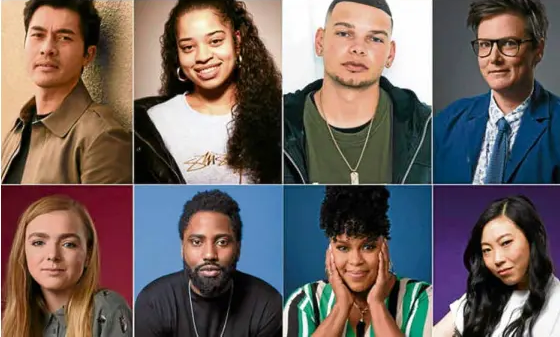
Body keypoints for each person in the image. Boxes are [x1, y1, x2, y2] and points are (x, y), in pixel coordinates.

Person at [283, 0, 432, 185]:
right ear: (320, 41)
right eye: (344, 33)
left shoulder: (429, 128)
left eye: (375, 38)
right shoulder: (275, 121)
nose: (358, 48)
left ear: (390, 54)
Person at [134, 1, 281, 184]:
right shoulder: (150, 122)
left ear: (237, 41)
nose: (203, 57)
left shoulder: (278, 114)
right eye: (188, 47)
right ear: (177, 54)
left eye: (215, 41)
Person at [1, 1, 132, 184]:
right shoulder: (19, 126)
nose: (47, 49)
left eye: (64, 38)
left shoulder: (102, 136)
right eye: (38, 35)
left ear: (88, 55)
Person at [434, 1, 560, 184]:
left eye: (509, 43)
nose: (494, 58)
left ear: (538, 50)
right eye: (485, 44)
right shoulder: (446, 122)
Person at [284, 186, 432, 337]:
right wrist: (341, 307)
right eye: (343, 248)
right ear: (330, 250)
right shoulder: (305, 301)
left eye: (368, 247)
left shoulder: (421, 297)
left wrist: (377, 304)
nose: (355, 261)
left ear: (384, 246)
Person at [135, 189, 282, 336]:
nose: (209, 254)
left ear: (238, 248)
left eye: (222, 242)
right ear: (182, 248)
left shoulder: (267, 304)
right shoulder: (154, 302)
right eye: (197, 242)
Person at [1, 195, 132, 337]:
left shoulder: (108, 309)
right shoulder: (10, 321)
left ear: (87, 255)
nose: (53, 255)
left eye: (68, 244)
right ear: (23, 251)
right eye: (38, 242)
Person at [434, 195, 560, 337]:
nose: (497, 259)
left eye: (506, 243)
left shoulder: (556, 303)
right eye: (487, 250)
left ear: (533, 239)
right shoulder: (482, 297)